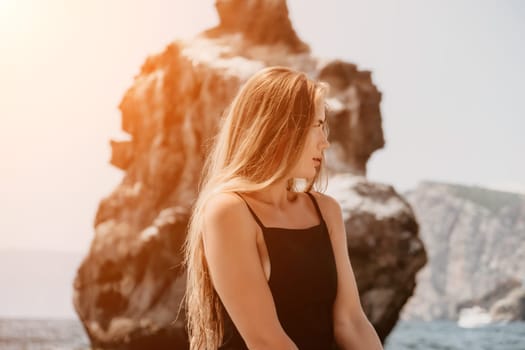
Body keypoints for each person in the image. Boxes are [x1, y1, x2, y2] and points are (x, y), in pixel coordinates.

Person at [183, 66, 383, 350]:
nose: (324, 143)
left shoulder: (326, 210)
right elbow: (266, 341)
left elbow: (351, 321)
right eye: (316, 126)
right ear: (280, 129)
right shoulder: (228, 211)